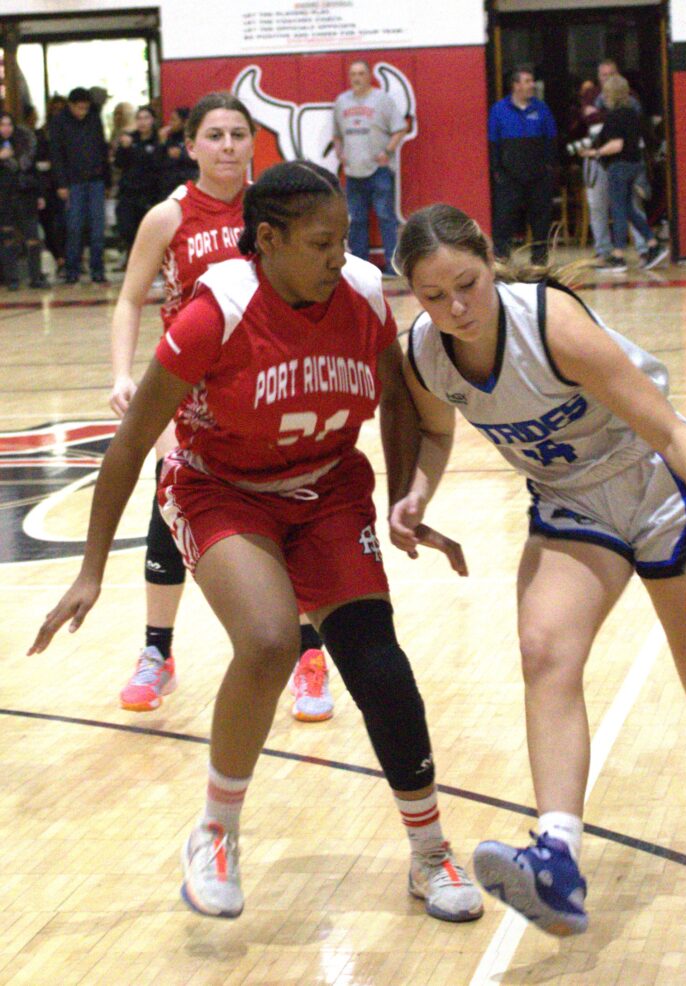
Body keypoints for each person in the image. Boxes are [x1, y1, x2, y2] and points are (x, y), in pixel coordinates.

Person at [31, 161, 484, 925]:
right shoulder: (216, 315)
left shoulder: (364, 295)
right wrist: (88, 570)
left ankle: (431, 852)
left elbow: (399, 402)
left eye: (344, 238)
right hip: (219, 487)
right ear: (266, 240)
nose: (339, 255)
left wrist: (408, 494)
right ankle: (216, 831)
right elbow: (133, 439)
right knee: (272, 640)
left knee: (377, 660)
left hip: (330, 485)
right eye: (320, 242)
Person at [390, 204, 686, 936]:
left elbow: (668, 427)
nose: (455, 308)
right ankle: (558, 859)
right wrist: (416, 494)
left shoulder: (553, 326)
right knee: (544, 650)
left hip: (652, 488)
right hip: (571, 505)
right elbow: (435, 430)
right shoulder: (424, 351)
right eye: (432, 296)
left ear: (489, 261)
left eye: (467, 285)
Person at [107, 92, 334, 723]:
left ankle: (308, 656)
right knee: (169, 502)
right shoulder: (167, 216)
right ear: (192, 146)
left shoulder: (281, 206)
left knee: (292, 505)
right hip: (188, 387)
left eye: (239, 134)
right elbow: (129, 299)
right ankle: (158, 654)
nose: (229, 146)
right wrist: (124, 374)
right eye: (215, 135)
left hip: (272, 382)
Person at [581, 75, 667, 273]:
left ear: (610, 94)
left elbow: (616, 145)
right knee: (628, 209)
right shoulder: (633, 113)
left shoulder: (614, 116)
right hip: (634, 164)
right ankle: (653, 245)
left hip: (619, 167)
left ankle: (618, 257)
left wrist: (595, 152)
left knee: (618, 210)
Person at [331, 60, 409, 277]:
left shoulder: (382, 100)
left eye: (361, 73)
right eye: (353, 73)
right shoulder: (341, 102)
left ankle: (392, 267)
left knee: (386, 217)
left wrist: (387, 151)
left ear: (369, 76)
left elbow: (400, 128)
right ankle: (360, 269)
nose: (357, 77)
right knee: (356, 220)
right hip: (353, 171)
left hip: (379, 170)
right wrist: (340, 152)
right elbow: (336, 134)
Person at [579, 59, 648, 264]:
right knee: (598, 203)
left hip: (621, 157)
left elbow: (624, 119)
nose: (607, 79)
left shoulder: (630, 96)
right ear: (598, 77)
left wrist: (600, 115)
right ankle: (604, 250)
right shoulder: (590, 94)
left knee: (630, 203)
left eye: (611, 74)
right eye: (603, 75)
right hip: (599, 155)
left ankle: (643, 248)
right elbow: (587, 119)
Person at [487, 66, 557, 264]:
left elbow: (551, 140)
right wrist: (497, 170)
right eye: (526, 81)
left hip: (538, 175)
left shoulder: (542, 108)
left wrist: (549, 168)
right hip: (509, 176)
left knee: (540, 219)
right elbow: (493, 142)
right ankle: (502, 258)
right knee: (504, 218)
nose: (531, 85)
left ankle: (539, 259)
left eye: (531, 81)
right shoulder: (499, 110)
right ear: (515, 85)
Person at [49, 86, 110, 285]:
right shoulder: (59, 122)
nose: (82, 112)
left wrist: (107, 180)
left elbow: (102, 149)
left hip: (96, 180)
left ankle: (97, 270)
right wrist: (61, 183)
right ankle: (72, 270)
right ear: (71, 105)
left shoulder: (94, 119)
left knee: (97, 227)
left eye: (86, 108)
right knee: (74, 227)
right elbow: (56, 154)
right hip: (72, 182)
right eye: (79, 108)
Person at [0, 111, 48, 289]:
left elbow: (33, 171)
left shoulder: (25, 144)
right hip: (4, 198)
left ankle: (36, 276)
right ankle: (12, 278)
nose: (6, 128)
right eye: (2, 124)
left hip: (25, 195)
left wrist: (40, 195)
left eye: (9, 124)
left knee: (32, 237)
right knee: (7, 238)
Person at [113, 105, 162, 254]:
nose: (142, 122)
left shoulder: (158, 141)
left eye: (146, 118)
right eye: (139, 118)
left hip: (150, 194)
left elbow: (159, 165)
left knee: (148, 232)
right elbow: (118, 163)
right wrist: (124, 148)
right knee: (127, 229)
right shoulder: (129, 139)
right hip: (129, 193)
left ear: (153, 120)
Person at [29, 104, 65, 279]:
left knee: (62, 224)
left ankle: (65, 259)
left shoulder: (63, 133)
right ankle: (59, 259)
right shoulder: (39, 135)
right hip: (43, 187)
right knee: (48, 225)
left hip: (59, 185)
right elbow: (36, 162)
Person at [158, 106, 199, 198]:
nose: (170, 123)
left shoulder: (194, 138)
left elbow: (200, 160)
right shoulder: (169, 138)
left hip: (188, 186)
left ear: (184, 122)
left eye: (174, 120)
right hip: (169, 189)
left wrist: (181, 154)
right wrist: (161, 143)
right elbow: (158, 162)